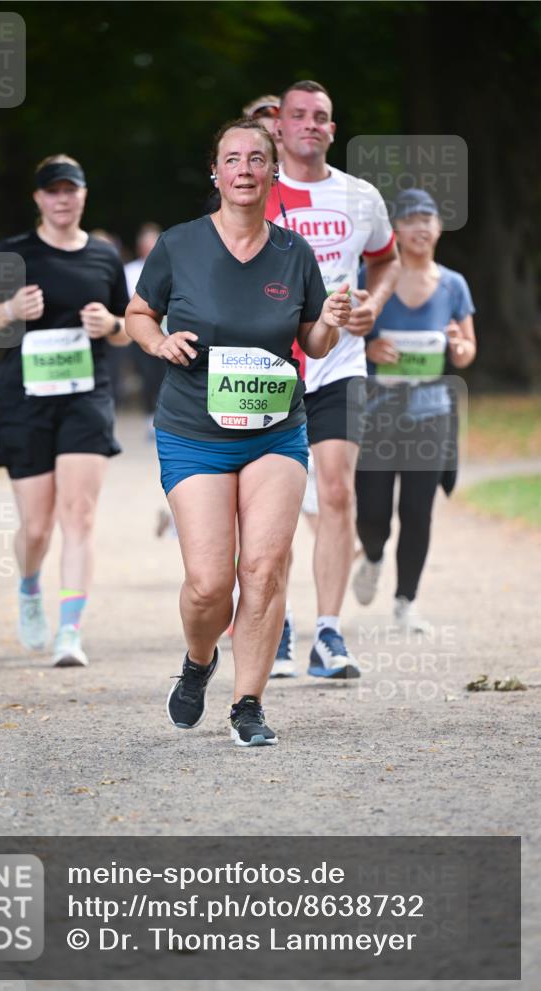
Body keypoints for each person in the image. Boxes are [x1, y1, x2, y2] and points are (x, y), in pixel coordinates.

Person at [125, 119, 350, 747]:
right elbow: (138, 313)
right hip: (193, 430)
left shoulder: (294, 253)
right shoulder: (179, 244)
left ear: (273, 171)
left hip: (276, 431)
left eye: (257, 158)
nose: (245, 169)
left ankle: (247, 703)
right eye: (232, 159)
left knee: (264, 567)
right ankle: (199, 660)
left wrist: (331, 320)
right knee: (208, 584)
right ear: (216, 172)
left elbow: (313, 341)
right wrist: (158, 341)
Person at [0, 155, 130, 667]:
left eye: (70, 190)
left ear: (83, 195)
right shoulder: (12, 253)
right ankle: (30, 585)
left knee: (78, 515)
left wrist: (112, 325)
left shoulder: (103, 256)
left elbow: (131, 327)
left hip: (85, 396)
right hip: (23, 400)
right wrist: (10, 310)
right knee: (36, 527)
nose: (62, 199)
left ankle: (70, 632)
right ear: (38, 198)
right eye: (52, 191)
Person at [266, 79, 399, 679]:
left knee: (337, 492)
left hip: (340, 363)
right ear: (279, 126)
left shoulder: (360, 196)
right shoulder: (257, 192)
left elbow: (386, 259)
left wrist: (374, 303)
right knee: (270, 504)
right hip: (271, 368)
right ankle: (275, 623)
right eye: (299, 115)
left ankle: (328, 633)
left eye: (320, 116)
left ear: (332, 129)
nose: (310, 125)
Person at [352, 188, 476, 631]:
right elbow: (346, 338)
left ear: (439, 228)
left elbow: (467, 350)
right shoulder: (371, 278)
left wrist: (459, 347)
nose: (421, 227)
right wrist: (370, 347)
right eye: (411, 220)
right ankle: (372, 555)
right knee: (372, 513)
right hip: (376, 412)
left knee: (418, 510)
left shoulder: (453, 285)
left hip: (431, 413)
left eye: (428, 219)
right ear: (396, 231)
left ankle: (406, 602)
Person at [124, 224, 166, 431]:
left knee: (165, 374)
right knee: (147, 374)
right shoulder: (130, 270)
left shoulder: (170, 266)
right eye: (146, 246)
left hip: (167, 331)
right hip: (141, 330)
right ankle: (150, 414)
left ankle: (164, 413)